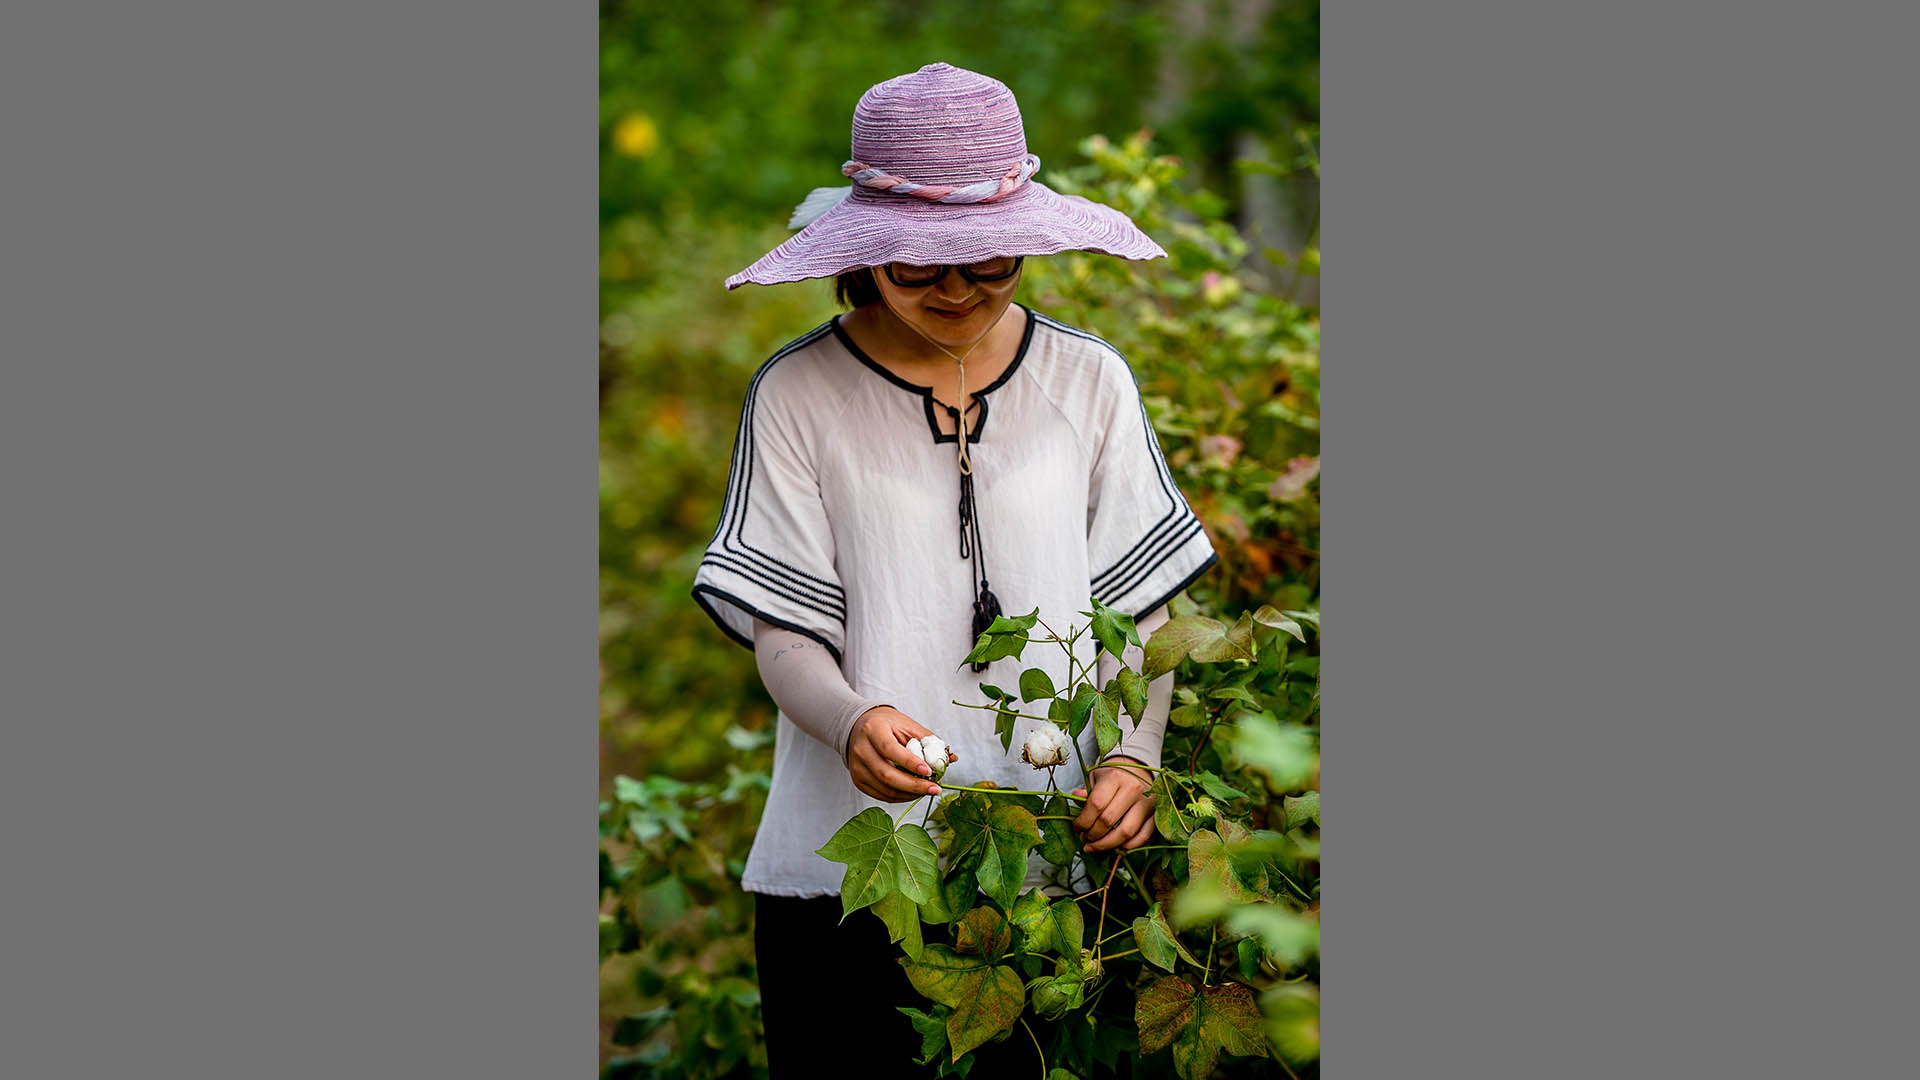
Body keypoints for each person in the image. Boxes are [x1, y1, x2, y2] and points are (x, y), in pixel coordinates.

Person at [690, 62, 1218, 1075]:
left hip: (1061, 869)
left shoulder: (1089, 382)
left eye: (989, 263)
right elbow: (784, 628)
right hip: (847, 884)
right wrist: (849, 720)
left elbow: (1148, 612)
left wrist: (1134, 759)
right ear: (865, 256)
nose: (959, 290)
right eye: (921, 269)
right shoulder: (800, 394)